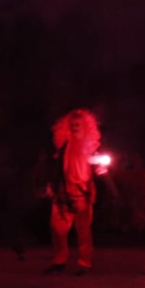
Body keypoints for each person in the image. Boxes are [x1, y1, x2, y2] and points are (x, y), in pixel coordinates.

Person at [44, 109, 102, 276]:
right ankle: (59, 260)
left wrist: (99, 168)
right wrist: (52, 185)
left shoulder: (91, 146)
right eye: (72, 125)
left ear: (85, 126)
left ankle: (85, 263)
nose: (75, 127)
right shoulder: (64, 145)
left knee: (83, 230)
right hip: (63, 190)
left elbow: (99, 166)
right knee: (57, 228)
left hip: (82, 191)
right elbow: (55, 167)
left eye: (78, 124)